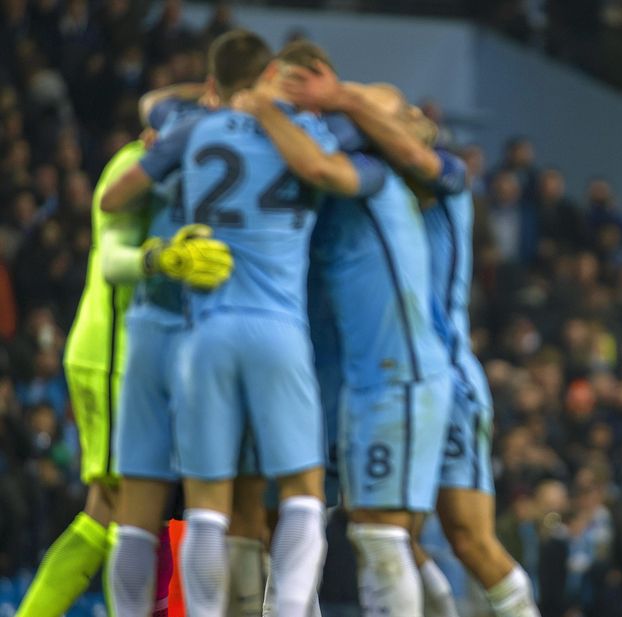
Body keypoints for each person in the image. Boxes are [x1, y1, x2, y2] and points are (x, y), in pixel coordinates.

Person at [103, 29, 384, 616]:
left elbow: (115, 194)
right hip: (279, 329)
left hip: (196, 331)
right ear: (274, 80)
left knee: (198, 507)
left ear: (213, 84)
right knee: (306, 496)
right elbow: (370, 132)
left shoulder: (191, 128)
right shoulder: (308, 132)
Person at [281, 52, 542, 617]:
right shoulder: (371, 186)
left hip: (441, 372)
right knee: (405, 536)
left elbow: (404, 152)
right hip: (390, 373)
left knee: (457, 538)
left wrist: (342, 99)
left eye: (395, 112)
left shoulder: (440, 172)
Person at [234, 42, 453, 617]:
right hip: (341, 378)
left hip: (397, 373)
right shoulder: (323, 179)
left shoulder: (373, 170)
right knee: (294, 515)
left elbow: (336, 149)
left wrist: (266, 106)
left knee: (382, 536)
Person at [13, 138, 223, 617]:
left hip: (137, 359)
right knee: (121, 513)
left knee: (116, 513)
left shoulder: (183, 167)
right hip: (111, 357)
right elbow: (111, 258)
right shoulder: (134, 166)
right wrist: (160, 258)